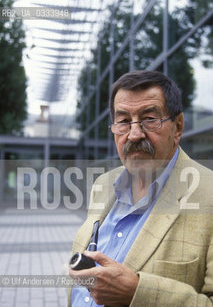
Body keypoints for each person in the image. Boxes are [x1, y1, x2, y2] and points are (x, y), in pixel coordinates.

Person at [68, 70, 213, 306]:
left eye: (149, 119)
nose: (134, 134)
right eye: (123, 121)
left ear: (178, 127)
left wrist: (138, 292)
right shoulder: (102, 185)